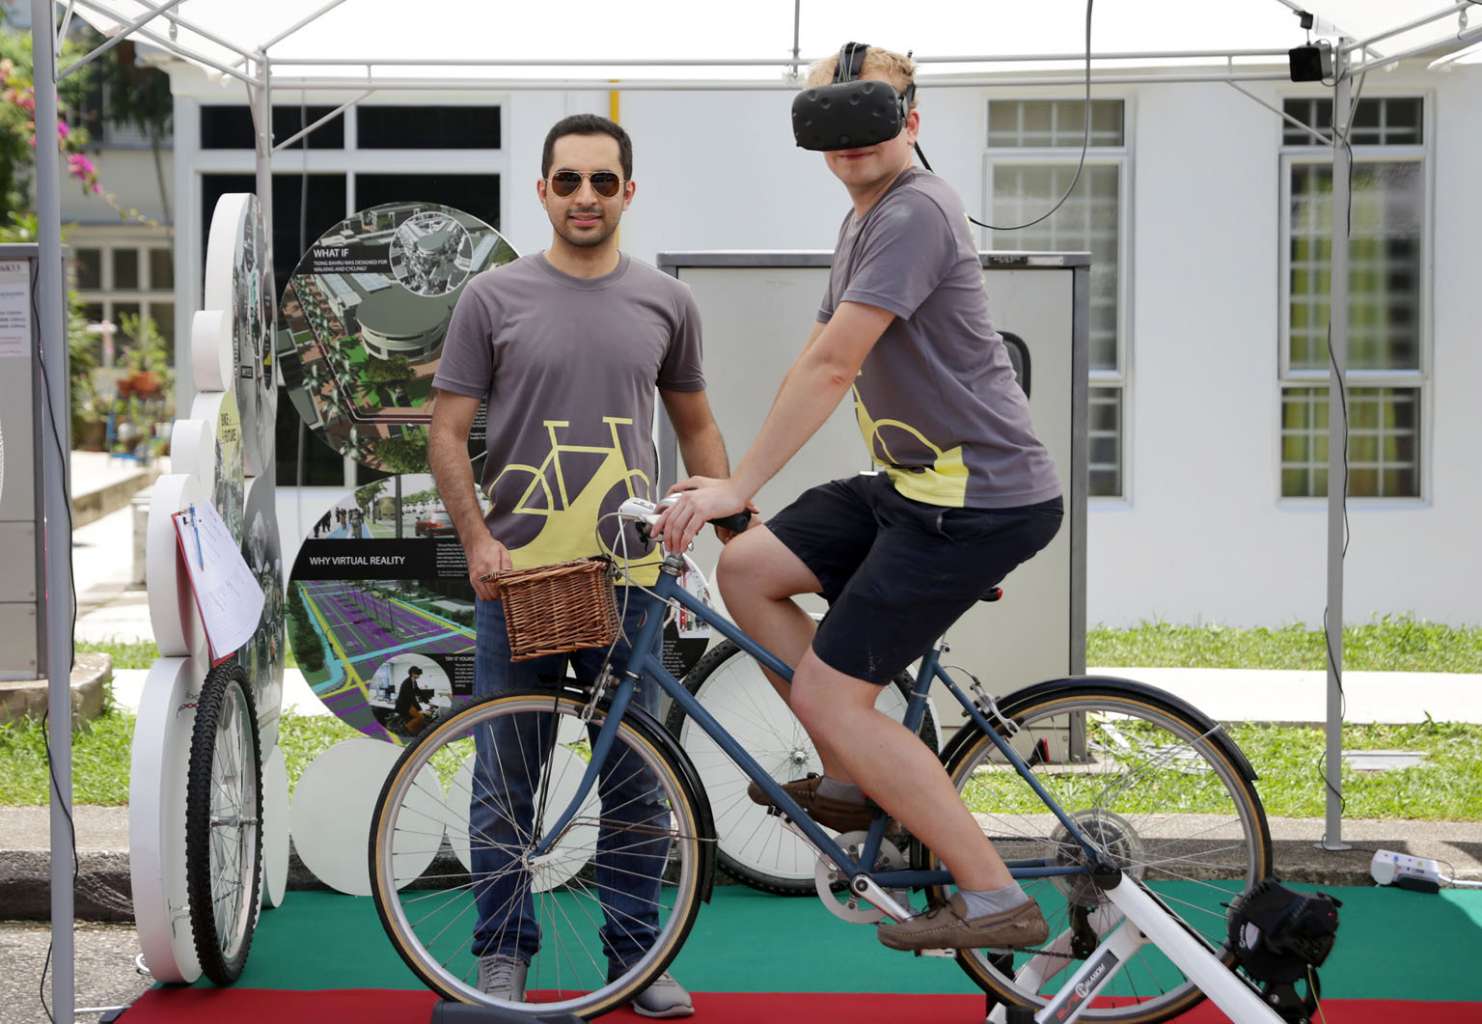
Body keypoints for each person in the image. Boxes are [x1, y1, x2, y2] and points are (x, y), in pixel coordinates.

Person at [656, 45, 1064, 953]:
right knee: (750, 568)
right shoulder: (866, 217)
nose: (845, 140)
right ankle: (848, 777)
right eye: (824, 124)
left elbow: (839, 368)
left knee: (836, 694)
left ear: (911, 122)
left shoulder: (916, 209)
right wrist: (736, 499)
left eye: (865, 117)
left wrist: (742, 480)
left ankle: (996, 897)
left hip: (978, 499)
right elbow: (815, 357)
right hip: (915, 488)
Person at [429, 114, 734, 1016]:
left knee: (636, 775)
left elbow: (696, 427)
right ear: (543, 191)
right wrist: (479, 540)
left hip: (631, 582)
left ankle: (637, 960)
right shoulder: (492, 300)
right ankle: (500, 958)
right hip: (516, 580)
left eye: (604, 182)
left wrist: (723, 515)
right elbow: (447, 434)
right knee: (505, 775)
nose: (586, 197)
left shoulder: (667, 303)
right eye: (568, 181)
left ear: (628, 192)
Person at [393, 665, 434, 735]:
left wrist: (428, 702)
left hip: (408, 703)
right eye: (418, 674)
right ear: (413, 673)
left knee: (421, 717)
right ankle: (405, 729)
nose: (419, 676)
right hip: (403, 705)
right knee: (420, 717)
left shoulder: (413, 681)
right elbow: (411, 697)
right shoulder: (407, 683)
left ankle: (414, 729)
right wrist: (420, 710)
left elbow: (419, 692)